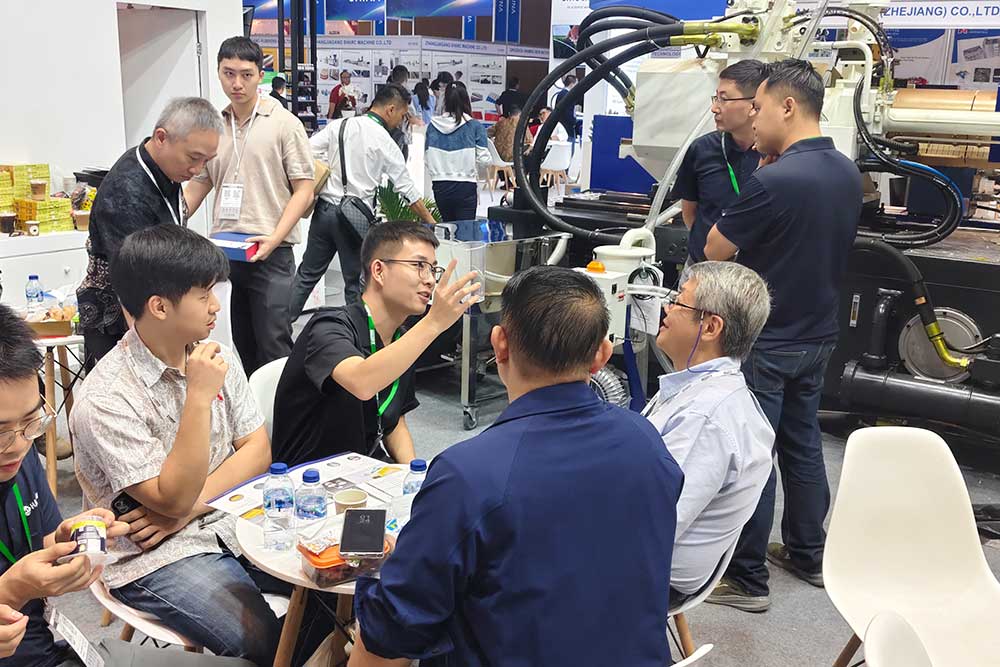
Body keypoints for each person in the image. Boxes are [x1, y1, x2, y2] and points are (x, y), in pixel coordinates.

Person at [348, 266, 684, 667]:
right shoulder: (646, 441)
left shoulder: (469, 475)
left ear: (500, 344)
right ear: (601, 355)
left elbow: (395, 629)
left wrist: (373, 573)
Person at [70, 225, 289, 665]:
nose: (216, 306)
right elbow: (170, 497)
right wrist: (199, 397)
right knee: (260, 640)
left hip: (228, 517)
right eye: (204, 295)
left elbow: (258, 451)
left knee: (338, 584)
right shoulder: (106, 398)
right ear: (159, 306)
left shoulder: (214, 353)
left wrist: (187, 511)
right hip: (156, 555)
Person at [704, 58, 863, 611]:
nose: (753, 117)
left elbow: (716, 248)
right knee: (802, 444)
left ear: (788, 107)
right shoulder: (846, 172)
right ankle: (808, 552)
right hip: (818, 334)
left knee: (755, 453)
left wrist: (759, 179)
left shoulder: (773, 180)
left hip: (768, 341)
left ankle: (747, 579)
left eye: (759, 107)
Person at [274, 222, 477, 467]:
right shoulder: (329, 327)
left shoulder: (401, 339)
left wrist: (411, 472)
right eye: (419, 266)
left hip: (366, 469)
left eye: (433, 269)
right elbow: (361, 382)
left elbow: (393, 419)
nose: (430, 280)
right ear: (379, 271)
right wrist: (433, 323)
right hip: (311, 477)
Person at [0, 305, 131, 667]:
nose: (18, 445)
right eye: (0, 432)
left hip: (45, 651)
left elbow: (37, 542)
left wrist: (66, 542)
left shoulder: (19, 454)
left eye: (32, 420)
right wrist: (12, 589)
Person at [643, 261, 774, 603]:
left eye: (679, 302)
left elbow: (652, 524)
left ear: (712, 326)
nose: (667, 308)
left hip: (645, 577)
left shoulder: (705, 417)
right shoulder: (704, 389)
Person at [184, 36, 315, 375]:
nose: (237, 84)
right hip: (226, 252)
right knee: (239, 342)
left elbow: (304, 190)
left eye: (246, 74)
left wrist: (274, 238)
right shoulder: (215, 125)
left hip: (271, 251)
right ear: (218, 72)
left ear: (260, 75)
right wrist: (170, 221)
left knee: (274, 343)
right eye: (228, 74)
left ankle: (282, 408)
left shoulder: (284, 123)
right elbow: (200, 183)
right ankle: (251, 409)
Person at [77, 97, 222, 370]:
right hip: (125, 321)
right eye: (193, 158)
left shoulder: (167, 170)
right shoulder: (125, 192)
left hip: (162, 311)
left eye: (206, 161)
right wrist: (149, 354)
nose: (197, 170)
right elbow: (132, 281)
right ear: (161, 137)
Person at [289, 84, 437, 315]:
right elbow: (407, 190)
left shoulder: (340, 125)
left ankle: (278, 330)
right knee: (355, 282)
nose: (400, 121)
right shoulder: (385, 141)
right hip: (353, 218)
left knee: (307, 275)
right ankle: (354, 334)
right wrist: (431, 221)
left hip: (325, 211)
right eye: (401, 115)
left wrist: (329, 168)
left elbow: (307, 150)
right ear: (390, 109)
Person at [674, 60, 768, 266]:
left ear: (754, 105)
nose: (714, 108)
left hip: (751, 274)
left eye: (723, 99)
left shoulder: (774, 155)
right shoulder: (701, 149)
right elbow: (690, 213)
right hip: (702, 267)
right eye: (715, 98)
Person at [426, 83, 490, 222]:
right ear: (466, 99)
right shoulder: (474, 126)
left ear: (445, 100)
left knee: (448, 227)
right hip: (466, 185)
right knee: (465, 230)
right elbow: (484, 160)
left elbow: (427, 158)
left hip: (440, 185)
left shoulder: (432, 126)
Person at [553, 74, 578, 143]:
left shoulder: (561, 94)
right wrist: (573, 121)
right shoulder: (567, 95)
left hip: (563, 124)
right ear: (572, 84)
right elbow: (567, 112)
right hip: (567, 126)